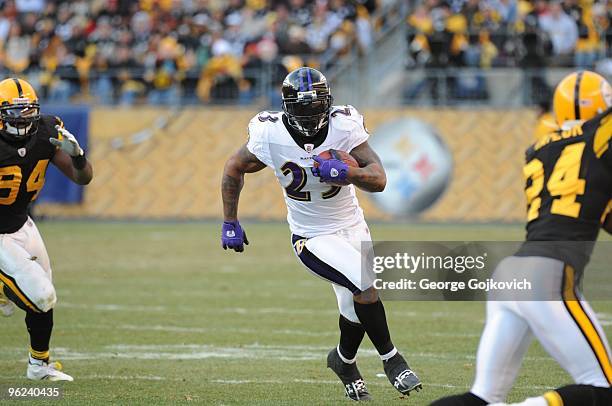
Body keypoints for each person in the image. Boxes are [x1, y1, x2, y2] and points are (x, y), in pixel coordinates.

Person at [220, 67, 422, 401]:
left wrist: (349, 172)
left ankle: (343, 362)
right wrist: (230, 220)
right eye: (303, 107)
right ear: (287, 106)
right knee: (364, 281)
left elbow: (379, 178)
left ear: (328, 102)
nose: (312, 114)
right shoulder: (269, 134)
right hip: (311, 235)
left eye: (317, 106)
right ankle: (392, 359)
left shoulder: (344, 125)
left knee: (352, 307)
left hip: (353, 225)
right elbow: (233, 167)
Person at [431, 70, 612, 406]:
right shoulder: (598, 136)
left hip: (509, 274)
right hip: (548, 276)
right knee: (603, 388)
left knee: (483, 396)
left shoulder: (539, 148)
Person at [0, 78, 93, 381]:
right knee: (40, 294)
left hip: (22, 223)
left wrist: (78, 157)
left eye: (28, 111)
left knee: (45, 298)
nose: (22, 118)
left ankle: (38, 366)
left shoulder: (46, 131)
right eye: (14, 112)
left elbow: (83, 179)